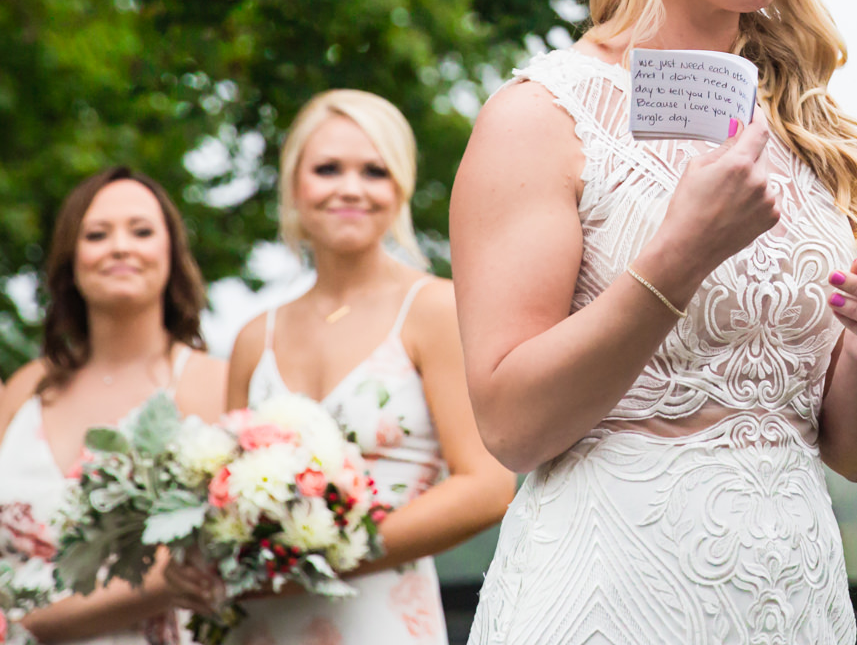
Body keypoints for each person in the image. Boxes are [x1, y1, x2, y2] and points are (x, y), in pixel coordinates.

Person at [451, 0, 857, 644]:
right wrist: (680, 256)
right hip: (611, 592)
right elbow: (512, 426)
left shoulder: (806, 131)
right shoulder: (540, 116)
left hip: (794, 599)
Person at [200, 91, 512, 644]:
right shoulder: (254, 338)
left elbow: (486, 486)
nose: (350, 188)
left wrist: (322, 554)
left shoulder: (435, 310)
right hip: (259, 624)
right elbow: (225, 496)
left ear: (401, 187)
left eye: (375, 170)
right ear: (295, 185)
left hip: (379, 618)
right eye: (327, 169)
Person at [0, 166, 228, 643]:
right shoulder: (26, 388)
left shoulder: (212, 383)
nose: (120, 247)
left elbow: (209, 561)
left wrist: (27, 624)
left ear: (171, 252)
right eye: (97, 234)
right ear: (70, 259)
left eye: (142, 231)